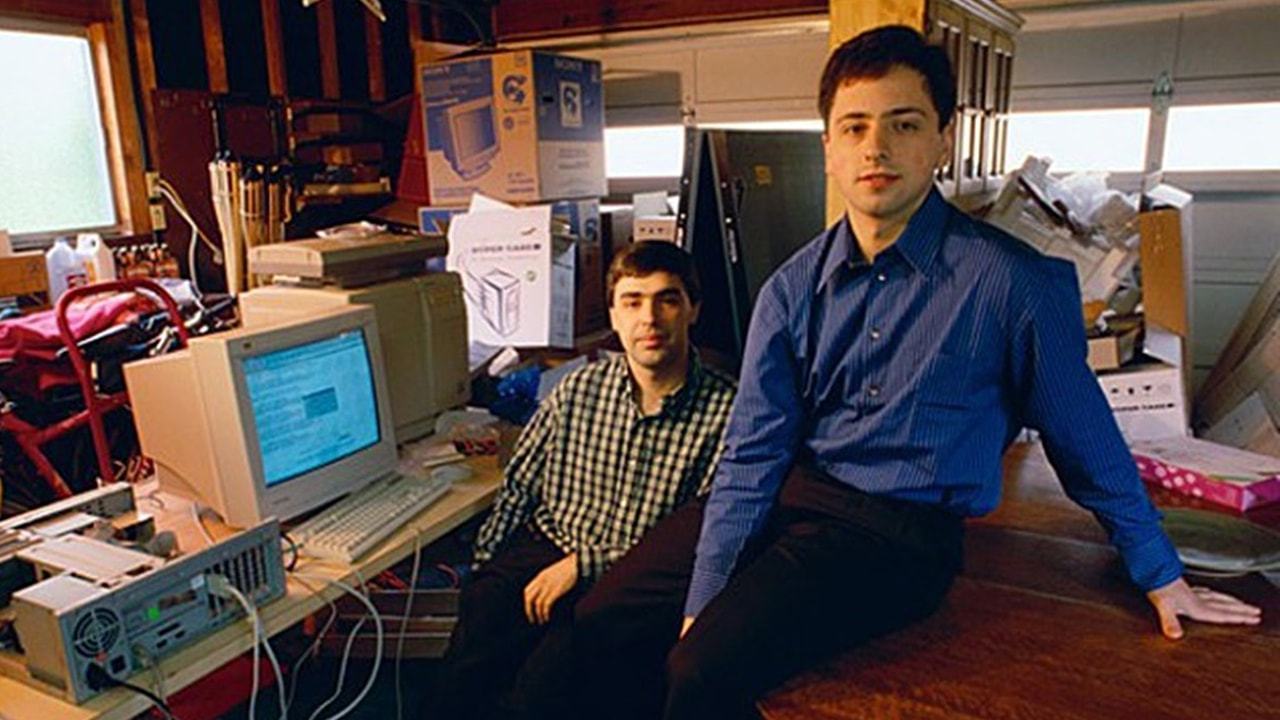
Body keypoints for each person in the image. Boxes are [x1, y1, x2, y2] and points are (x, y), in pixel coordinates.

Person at [570, 25, 1262, 720]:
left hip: (897, 536)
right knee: (602, 621)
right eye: (855, 127)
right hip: (794, 493)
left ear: (942, 140)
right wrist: (707, 588)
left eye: (903, 124)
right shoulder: (789, 289)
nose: (876, 147)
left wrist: (1159, 569)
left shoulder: (1014, 284)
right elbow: (752, 455)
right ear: (830, 149)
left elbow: (1084, 437)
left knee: (701, 668)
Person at [429, 241, 736, 720]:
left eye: (667, 299)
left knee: (543, 686)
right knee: (478, 629)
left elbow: (703, 537)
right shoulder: (579, 389)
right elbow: (519, 488)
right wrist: (490, 569)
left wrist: (583, 564)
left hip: (631, 575)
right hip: (549, 544)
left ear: (693, 310)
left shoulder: (727, 413)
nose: (649, 318)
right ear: (613, 316)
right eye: (632, 302)